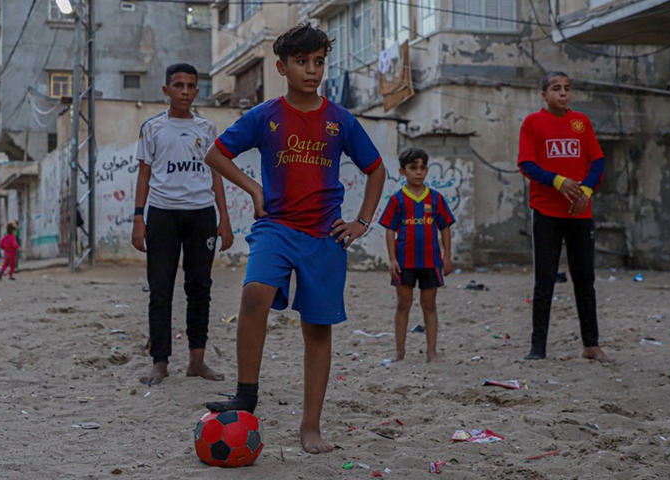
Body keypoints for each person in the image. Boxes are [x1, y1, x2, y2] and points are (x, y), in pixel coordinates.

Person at [203, 23, 386, 454]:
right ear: (282, 67)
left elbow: (375, 169)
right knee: (255, 293)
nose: (311, 70)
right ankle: (246, 396)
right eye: (302, 62)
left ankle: (310, 426)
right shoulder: (265, 115)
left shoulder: (340, 121)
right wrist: (253, 189)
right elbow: (215, 153)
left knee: (317, 330)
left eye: (318, 61)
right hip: (277, 227)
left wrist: (361, 221)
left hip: (325, 236)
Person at [131, 62, 234, 386]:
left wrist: (224, 218)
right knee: (160, 291)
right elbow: (144, 175)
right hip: (163, 214)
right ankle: (160, 362)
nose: (186, 91)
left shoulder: (206, 130)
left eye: (191, 85)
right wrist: (138, 217)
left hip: (202, 214)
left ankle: (197, 361)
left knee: (200, 288)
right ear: (166, 90)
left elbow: (216, 174)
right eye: (179, 85)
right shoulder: (152, 128)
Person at [517, 71, 613, 363]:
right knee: (544, 279)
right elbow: (526, 164)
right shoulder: (532, 123)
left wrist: (585, 189)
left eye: (567, 88)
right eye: (556, 88)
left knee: (585, 279)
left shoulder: (581, 122)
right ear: (544, 95)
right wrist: (558, 181)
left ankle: (591, 345)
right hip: (546, 211)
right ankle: (538, 347)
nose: (563, 93)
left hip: (580, 211)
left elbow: (597, 162)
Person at [379, 147, 455, 363]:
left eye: (422, 168)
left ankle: (431, 352)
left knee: (429, 304)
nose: (418, 172)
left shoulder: (436, 198)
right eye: (413, 168)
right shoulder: (397, 200)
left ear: (427, 170)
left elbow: (445, 227)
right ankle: (400, 352)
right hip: (404, 262)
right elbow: (390, 229)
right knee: (404, 303)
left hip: (431, 261)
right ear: (403, 172)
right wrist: (392, 259)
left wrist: (447, 257)